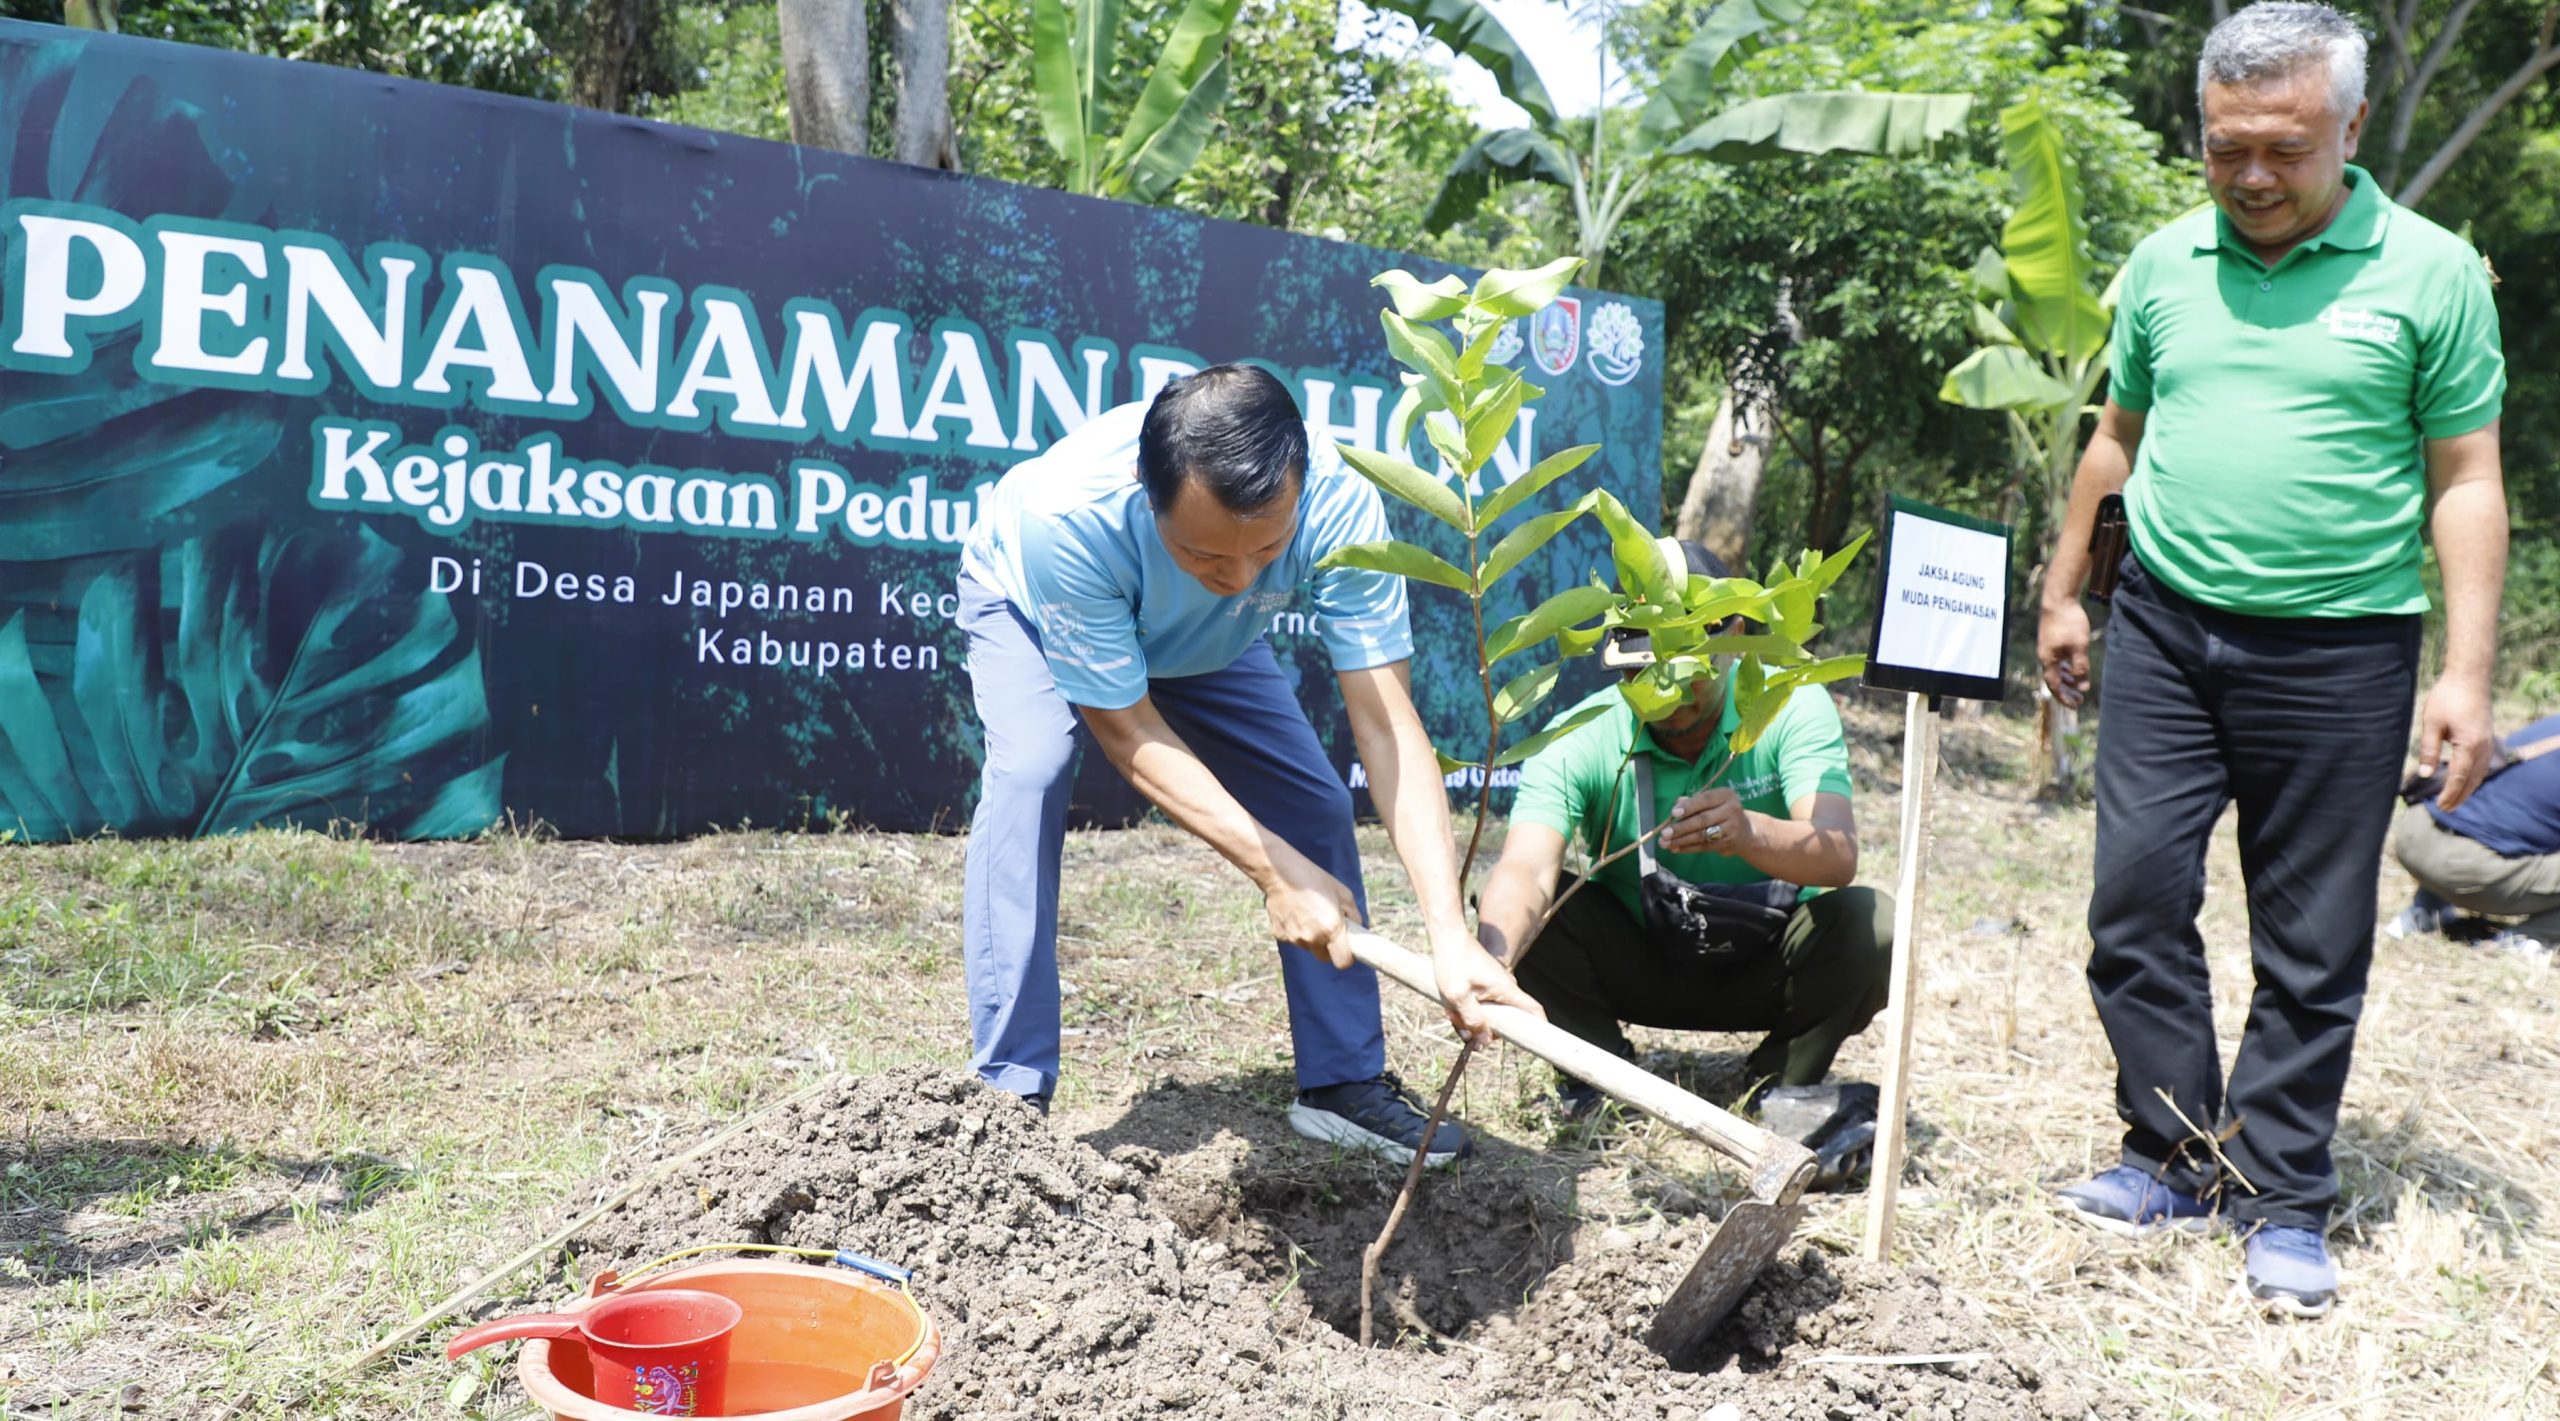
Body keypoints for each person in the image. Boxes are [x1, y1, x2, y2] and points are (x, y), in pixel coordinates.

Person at [2037, 1, 2507, 1319]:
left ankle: (2281, 1194)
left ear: (2351, 130)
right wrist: (2067, 586)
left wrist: (2465, 679)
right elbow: (2119, 434)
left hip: (2345, 650)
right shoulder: (2166, 264)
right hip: (2170, 631)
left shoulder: (2429, 273)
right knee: (2132, 900)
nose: (2250, 177)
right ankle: (2173, 1150)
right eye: (2224, 146)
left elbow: (2466, 480)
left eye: (2284, 150)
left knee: (2309, 941)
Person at [954, 364, 1542, 1167]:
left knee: (1314, 804)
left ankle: (1343, 1084)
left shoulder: (1339, 505)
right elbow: (1128, 731)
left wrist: (1448, 933)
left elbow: (1387, 724)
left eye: (1268, 549)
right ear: (1144, 489)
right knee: (1033, 773)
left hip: (1206, 643)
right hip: (1033, 604)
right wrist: (1274, 874)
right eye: (1205, 551)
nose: (1239, 577)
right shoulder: (1070, 520)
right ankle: (1009, 1096)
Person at [1474, 539, 1894, 1188]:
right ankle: (1600, 1071)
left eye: (1688, 668)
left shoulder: (1789, 705)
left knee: (1874, 924)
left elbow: (1837, 852)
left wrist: (1749, 830)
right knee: (1531, 912)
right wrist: (1489, 966)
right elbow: (1526, 868)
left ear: (1730, 637)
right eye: (1650, 668)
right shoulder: (1587, 731)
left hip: (1767, 967)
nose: (1669, 693)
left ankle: (1783, 1079)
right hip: (1642, 962)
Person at [2387, 714, 2560, 957]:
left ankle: (2426, 911)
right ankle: (2529, 940)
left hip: (2416, 832)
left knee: (2497, 816)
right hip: (2467, 871)